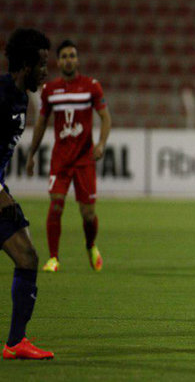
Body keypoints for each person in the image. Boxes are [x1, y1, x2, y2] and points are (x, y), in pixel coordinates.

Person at [26, 40, 111, 273]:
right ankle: (53, 258)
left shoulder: (91, 86)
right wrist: (31, 154)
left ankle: (91, 245)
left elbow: (105, 117)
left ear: (78, 59)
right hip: (61, 159)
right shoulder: (51, 90)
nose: (68, 60)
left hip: (84, 160)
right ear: (58, 61)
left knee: (88, 213)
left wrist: (102, 144)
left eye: (72, 55)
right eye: (64, 56)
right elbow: (42, 122)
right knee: (56, 205)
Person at [1, 28, 54, 359]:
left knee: (28, 257)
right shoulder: (1, 94)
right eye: (42, 64)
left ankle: (15, 343)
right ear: (25, 65)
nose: (45, 71)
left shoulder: (22, 98)